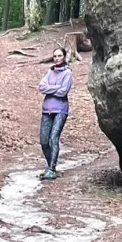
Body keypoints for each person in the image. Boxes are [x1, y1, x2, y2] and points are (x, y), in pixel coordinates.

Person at [38, 47, 73, 179]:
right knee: (43, 141)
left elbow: (63, 92)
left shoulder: (68, 73)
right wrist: (55, 88)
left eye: (59, 56)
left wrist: (49, 89)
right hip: (47, 109)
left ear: (64, 57)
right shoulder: (50, 72)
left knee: (53, 138)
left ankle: (51, 169)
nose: (57, 58)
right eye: (55, 56)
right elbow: (41, 87)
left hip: (61, 110)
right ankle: (50, 166)